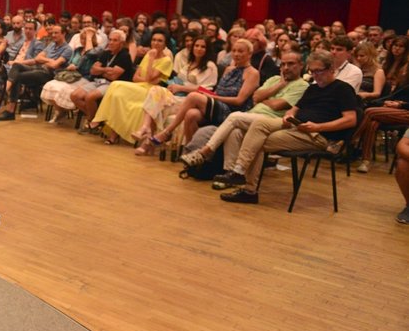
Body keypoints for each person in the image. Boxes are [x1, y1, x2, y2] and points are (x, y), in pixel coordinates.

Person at [217, 50, 360, 204]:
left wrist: (318, 126)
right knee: (258, 125)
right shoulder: (313, 88)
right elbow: (295, 109)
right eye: (312, 71)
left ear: (331, 69)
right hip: (297, 127)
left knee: (256, 142)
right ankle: (240, 174)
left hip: (319, 135)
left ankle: (248, 188)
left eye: (319, 71)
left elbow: (350, 120)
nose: (316, 75)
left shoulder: (343, 89)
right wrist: (288, 116)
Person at [179, 51, 309, 179]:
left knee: (234, 117)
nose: (286, 68)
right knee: (234, 132)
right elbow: (256, 97)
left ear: (301, 65)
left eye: (291, 64)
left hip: (271, 121)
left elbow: (277, 105)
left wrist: (264, 99)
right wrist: (279, 85)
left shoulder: (302, 85)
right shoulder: (275, 79)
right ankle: (229, 173)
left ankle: (204, 152)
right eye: (283, 64)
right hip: (251, 116)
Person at [90, 28, 173, 144]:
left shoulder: (166, 60)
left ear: (165, 44)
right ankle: (112, 133)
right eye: (154, 40)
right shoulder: (149, 54)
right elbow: (135, 77)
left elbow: (149, 78)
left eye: (160, 41)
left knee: (116, 84)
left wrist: (151, 60)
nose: (155, 43)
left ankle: (100, 118)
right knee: (117, 95)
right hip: (139, 86)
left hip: (151, 92)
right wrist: (146, 78)